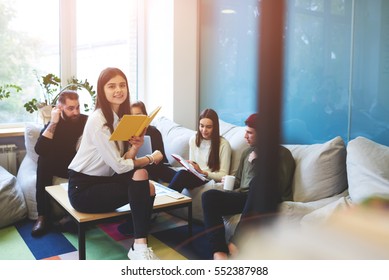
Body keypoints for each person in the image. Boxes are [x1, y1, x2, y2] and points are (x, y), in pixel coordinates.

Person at [67, 67, 163, 260]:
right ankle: (139, 245)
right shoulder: (98, 120)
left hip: (104, 181)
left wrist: (136, 146)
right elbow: (120, 167)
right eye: (111, 86)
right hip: (82, 189)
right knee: (142, 178)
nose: (118, 90)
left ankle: (138, 240)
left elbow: (121, 161)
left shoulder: (119, 119)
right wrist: (150, 158)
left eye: (122, 85)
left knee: (148, 186)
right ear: (102, 91)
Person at [201, 113, 296, 259]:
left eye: (250, 133)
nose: (245, 136)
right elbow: (239, 180)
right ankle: (219, 252)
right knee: (209, 196)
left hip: (266, 199)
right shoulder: (247, 153)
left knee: (257, 183)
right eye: (246, 132)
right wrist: (228, 180)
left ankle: (236, 243)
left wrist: (258, 162)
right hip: (245, 197)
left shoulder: (283, 154)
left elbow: (278, 186)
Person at [31, 90, 88, 237]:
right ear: (60, 108)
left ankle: (72, 217)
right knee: (43, 160)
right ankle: (42, 216)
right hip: (57, 165)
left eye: (78, 107)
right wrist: (53, 122)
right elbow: (40, 149)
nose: (76, 112)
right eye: (70, 108)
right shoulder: (54, 123)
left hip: (77, 165)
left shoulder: (85, 120)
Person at [167, 108, 232, 193]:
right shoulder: (194, 139)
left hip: (207, 178)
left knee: (181, 175)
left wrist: (203, 172)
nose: (204, 130)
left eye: (208, 127)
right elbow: (193, 165)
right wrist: (188, 165)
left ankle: (164, 201)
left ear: (215, 127)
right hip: (195, 176)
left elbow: (223, 175)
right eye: (201, 126)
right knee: (161, 168)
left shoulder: (224, 145)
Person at [130, 100, 176, 183]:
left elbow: (161, 157)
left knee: (180, 175)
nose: (136, 119)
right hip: (135, 168)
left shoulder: (154, 132)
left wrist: (157, 157)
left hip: (155, 166)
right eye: (132, 116)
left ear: (145, 116)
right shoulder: (125, 134)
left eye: (138, 115)